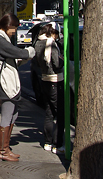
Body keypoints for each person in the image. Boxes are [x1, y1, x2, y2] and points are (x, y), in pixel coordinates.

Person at [0, 13, 36, 161]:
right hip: (6, 82)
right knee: (8, 114)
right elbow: (19, 52)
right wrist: (30, 52)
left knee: (13, 114)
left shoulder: (1, 39)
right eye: (14, 28)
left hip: (9, 81)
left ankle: (6, 148)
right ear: (8, 26)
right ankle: (2, 151)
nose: (15, 31)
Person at [34, 24, 65, 154]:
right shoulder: (51, 44)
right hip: (55, 79)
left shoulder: (38, 43)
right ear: (52, 33)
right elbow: (56, 64)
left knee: (48, 113)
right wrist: (62, 59)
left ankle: (47, 141)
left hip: (44, 79)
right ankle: (57, 144)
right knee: (60, 114)